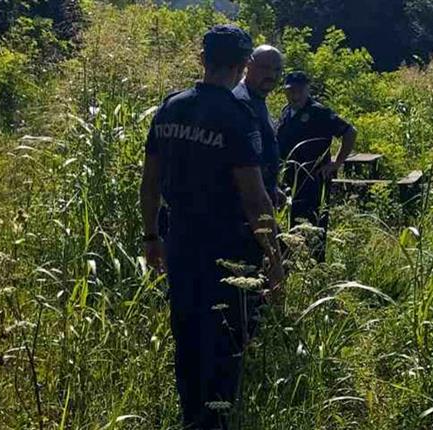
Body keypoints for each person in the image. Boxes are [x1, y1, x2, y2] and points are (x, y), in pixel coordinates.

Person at [139, 25, 284, 429]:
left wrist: (151, 236)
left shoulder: (170, 107)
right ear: (242, 66)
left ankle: (190, 416)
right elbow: (255, 199)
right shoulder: (237, 116)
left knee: (187, 332)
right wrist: (274, 260)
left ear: (201, 59)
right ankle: (214, 420)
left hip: (180, 241)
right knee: (226, 339)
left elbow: (149, 181)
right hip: (229, 247)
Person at [277, 70, 357, 228]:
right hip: (289, 181)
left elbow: (350, 132)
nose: (295, 94)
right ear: (285, 91)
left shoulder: (319, 112)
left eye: (299, 90)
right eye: (291, 90)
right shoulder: (286, 112)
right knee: (289, 228)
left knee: (313, 228)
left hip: (313, 181)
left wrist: (337, 163)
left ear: (307, 89)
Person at [233, 44, 285, 206]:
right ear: (248, 65)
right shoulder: (241, 102)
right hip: (244, 205)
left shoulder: (257, 100)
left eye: (277, 70)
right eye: (265, 68)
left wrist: (272, 188)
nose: (272, 75)